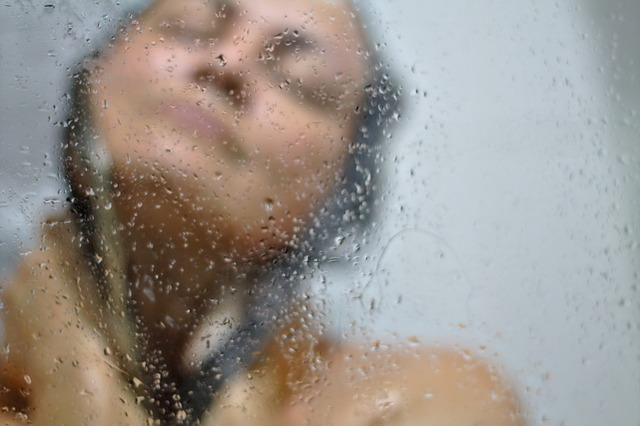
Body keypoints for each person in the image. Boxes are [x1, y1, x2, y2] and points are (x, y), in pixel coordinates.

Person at [0, 0, 525, 424]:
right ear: (94, 76)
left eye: (300, 79)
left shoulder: (421, 399)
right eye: (189, 26)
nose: (226, 66)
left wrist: (75, 366)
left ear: (338, 188)